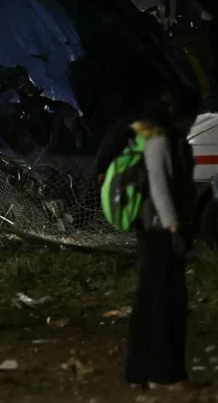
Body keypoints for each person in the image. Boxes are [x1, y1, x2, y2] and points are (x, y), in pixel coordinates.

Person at [123, 90, 199, 390]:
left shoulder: (159, 139)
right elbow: (160, 189)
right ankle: (163, 374)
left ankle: (141, 372)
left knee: (150, 300)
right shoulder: (161, 142)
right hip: (159, 232)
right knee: (166, 303)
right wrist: (174, 229)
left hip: (156, 231)